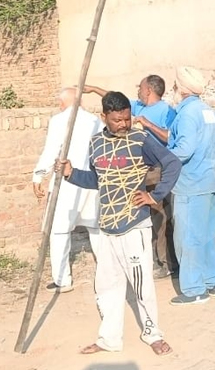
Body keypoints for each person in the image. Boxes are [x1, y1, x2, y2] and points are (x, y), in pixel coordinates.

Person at [55, 91, 180, 356]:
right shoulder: (96, 143)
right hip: (107, 227)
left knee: (142, 285)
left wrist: (154, 196)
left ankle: (153, 334)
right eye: (117, 120)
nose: (123, 124)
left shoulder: (141, 139)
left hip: (134, 224)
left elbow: (172, 164)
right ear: (104, 117)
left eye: (127, 118)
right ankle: (109, 339)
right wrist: (71, 173)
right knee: (106, 286)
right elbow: (98, 180)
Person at [85, 77, 178, 279]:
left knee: (161, 221)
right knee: (147, 222)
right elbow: (114, 101)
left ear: (149, 90)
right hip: (131, 179)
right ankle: (149, 261)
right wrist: (93, 89)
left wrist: (147, 125)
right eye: (118, 121)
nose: (124, 124)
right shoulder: (136, 107)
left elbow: (169, 139)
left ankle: (166, 263)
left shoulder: (166, 111)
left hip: (153, 171)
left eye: (140, 88)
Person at [32, 87, 102, 293]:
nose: (59, 106)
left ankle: (62, 279)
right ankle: (108, 272)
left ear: (64, 103)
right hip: (91, 180)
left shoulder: (59, 120)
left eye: (60, 103)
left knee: (59, 230)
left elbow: (52, 150)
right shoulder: (95, 121)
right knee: (96, 228)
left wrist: (38, 174)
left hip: (68, 181)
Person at [167, 67, 215, 305]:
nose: (173, 89)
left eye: (175, 86)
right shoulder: (208, 111)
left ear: (181, 89)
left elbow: (184, 149)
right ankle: (212, 282)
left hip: (190, 185)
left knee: (188, 237)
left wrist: (163, 157)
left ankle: (194, 290)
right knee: (207, 236)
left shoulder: (186, 114)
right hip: (211, 181)